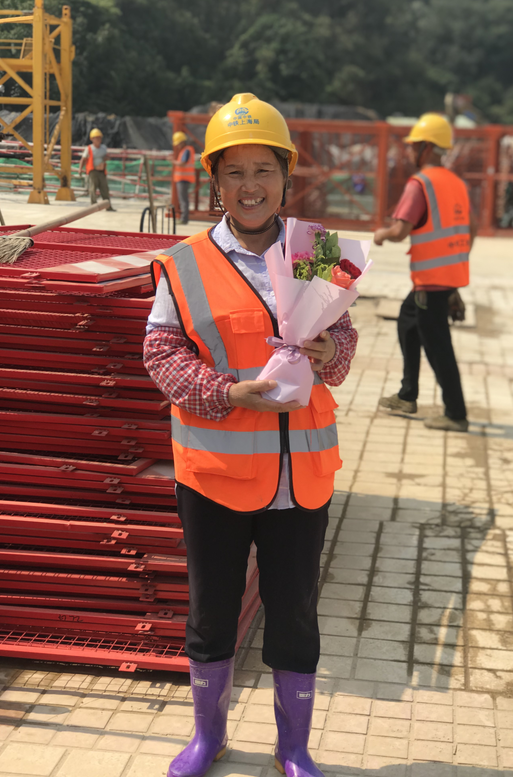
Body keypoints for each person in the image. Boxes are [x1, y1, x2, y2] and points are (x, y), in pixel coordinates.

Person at [144, 93, 358, 777]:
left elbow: (344, 338)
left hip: (302, 477)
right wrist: (222, 392)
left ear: (285, 175)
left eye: (263, 169)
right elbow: (160, 351)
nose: (250, 186)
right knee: (211, 611)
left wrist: (331, 353)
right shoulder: (184, 262)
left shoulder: (317, 249)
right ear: (214, 181)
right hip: (215, 473)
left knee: (294, 612)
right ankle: (207, 738)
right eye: (234, 172)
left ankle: (292, 747)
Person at [374, 113, 477, 433]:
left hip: (430, 282)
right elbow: (471, 230)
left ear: (427, 148)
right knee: (408, 321)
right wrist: (452, 276)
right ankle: (408, 395)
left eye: (413, 145)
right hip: (442, 279)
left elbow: (400, 231)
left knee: (437, 345)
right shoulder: (457, 184)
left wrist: (381, 235)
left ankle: (456, 414)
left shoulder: (420, 184)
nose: (409, 151)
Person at [78, 128, 115, 210]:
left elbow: (107, 157)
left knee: (104, 189)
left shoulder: (103, 148)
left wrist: (107, 158)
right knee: (92, 189)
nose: (98, 140)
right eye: (96, 138)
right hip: (93, 171)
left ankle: (108, 206)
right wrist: (80, 169)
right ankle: (93, 206)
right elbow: (83, 159)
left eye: (100, 138)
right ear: (92, 139)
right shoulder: (89, 148)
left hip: (102, 171)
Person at [172, 131, 196, 225]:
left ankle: (184, 219)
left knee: (183, 200)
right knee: (183, 199)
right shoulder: (185, 150)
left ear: (182, 142)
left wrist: (173, 162)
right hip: (183, 178)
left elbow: (182, 163)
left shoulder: (186, 150)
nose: (177, 146)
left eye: (178, 144)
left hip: (184, 179)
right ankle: (184, 218)